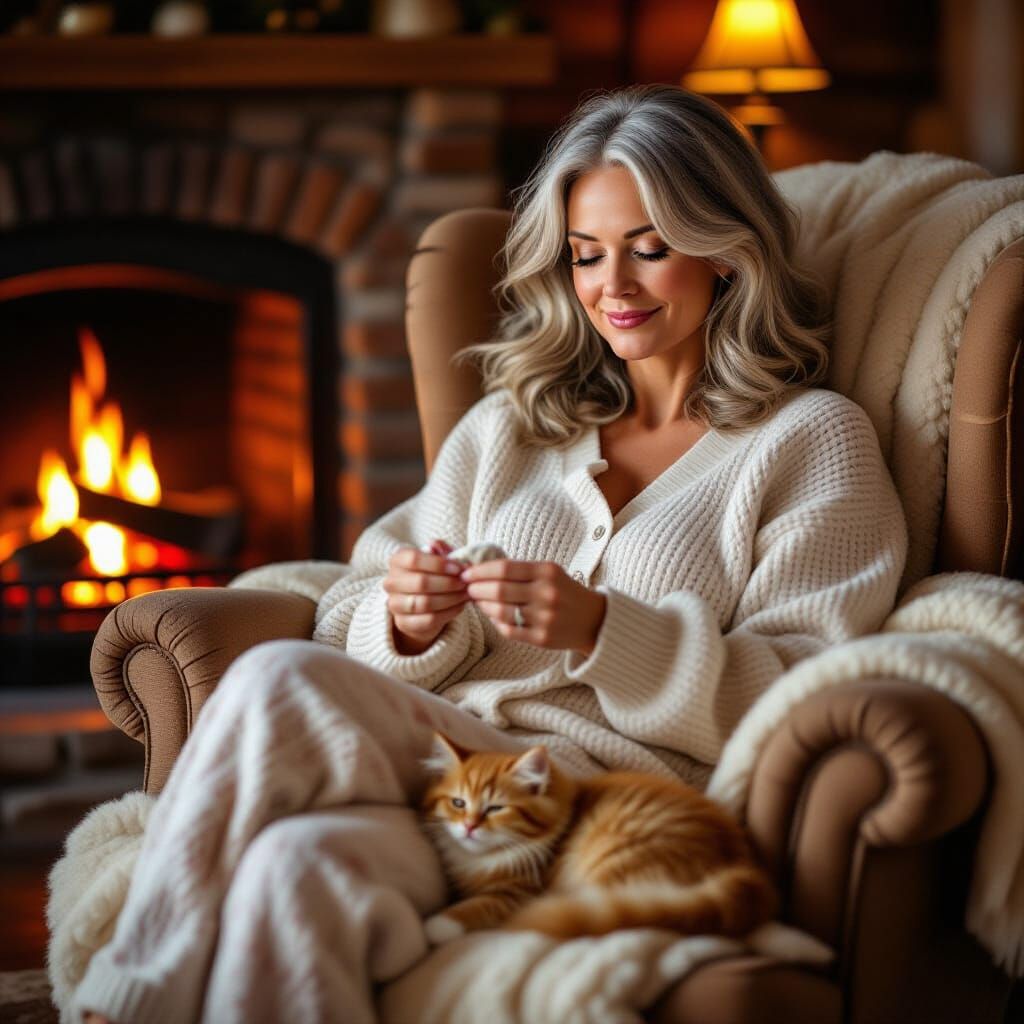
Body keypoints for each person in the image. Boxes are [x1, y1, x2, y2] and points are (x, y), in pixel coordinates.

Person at [75, 84, 907, 1024]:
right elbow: (352, 603)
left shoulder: (810, 441)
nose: (613, 289)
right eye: (586, 255)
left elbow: (807, 687)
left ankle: (119, 1006)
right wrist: (406, 620)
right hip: (445, 783)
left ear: (728, 251)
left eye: (651, 248)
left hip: (607, 813)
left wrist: (606, 630)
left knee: (279, 734)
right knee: (288, 855)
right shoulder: (514, 428)